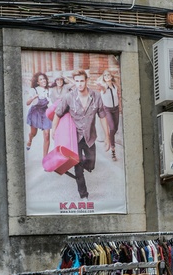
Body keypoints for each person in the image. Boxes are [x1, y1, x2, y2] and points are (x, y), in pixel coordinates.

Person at [51, 70, 110, 200]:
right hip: (75, 138)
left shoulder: (96, 96)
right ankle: (84, 195)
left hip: (90, 137)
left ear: (86, 81)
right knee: (78, 169)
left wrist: (107, 137)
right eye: (77, 81)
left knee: (91, 164)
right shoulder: (69, 97)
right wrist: (53, 130)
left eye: (82, 81)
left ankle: (79, 164)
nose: (79, 84)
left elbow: (103, 116)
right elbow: (57, 113)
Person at [95, 69, 121, 161]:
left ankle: (109, 138)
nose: (107, 76)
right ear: (103, 77)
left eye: (108, 75)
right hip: (108, 110)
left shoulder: (115, 85)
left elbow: (118, 77)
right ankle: (112, 149)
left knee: (116, 129)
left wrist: (113, 75)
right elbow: (99, 84)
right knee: (112, 128)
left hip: (116, 109)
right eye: (105, 75)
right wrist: (102, 79)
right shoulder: (104, 87)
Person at [25, 72, 52, 159]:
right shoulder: (34, 90)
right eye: (41, 79)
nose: (43, 80)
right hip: (35, 113)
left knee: (47, 134)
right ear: (37, 82)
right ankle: (29, 140)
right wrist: (33, 97)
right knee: (34, 133)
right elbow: (27, 103)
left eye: (44, 78)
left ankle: (45, 158)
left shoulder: (49, 90)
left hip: (45, 112)